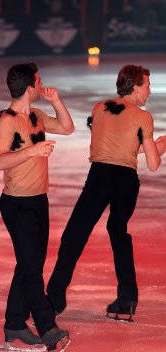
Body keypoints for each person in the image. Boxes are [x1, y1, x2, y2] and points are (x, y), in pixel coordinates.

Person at [47, 64, 166, 322]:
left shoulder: (99, 108)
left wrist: (150, 147)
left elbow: (115, 146)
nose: (149, 92)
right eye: (147, 86)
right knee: (118, 233)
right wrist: (161, 146)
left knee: (74, 235)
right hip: (125, 182)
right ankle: (127, 301)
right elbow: (153, 164)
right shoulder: (142, 117)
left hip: (100, 177)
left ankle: (54, 299)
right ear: (134, 87)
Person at [0, 63, 75, 352]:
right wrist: (31, 151)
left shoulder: (37, 116)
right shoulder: (7, 121)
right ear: (29, 87)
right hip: (17, 204)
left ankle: (14, 323)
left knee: (30, 265)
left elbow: (67, 127)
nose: (42, 85)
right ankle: (47, 326)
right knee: (30, 267)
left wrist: (55, 101)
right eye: (39, 82)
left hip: (39, 200)